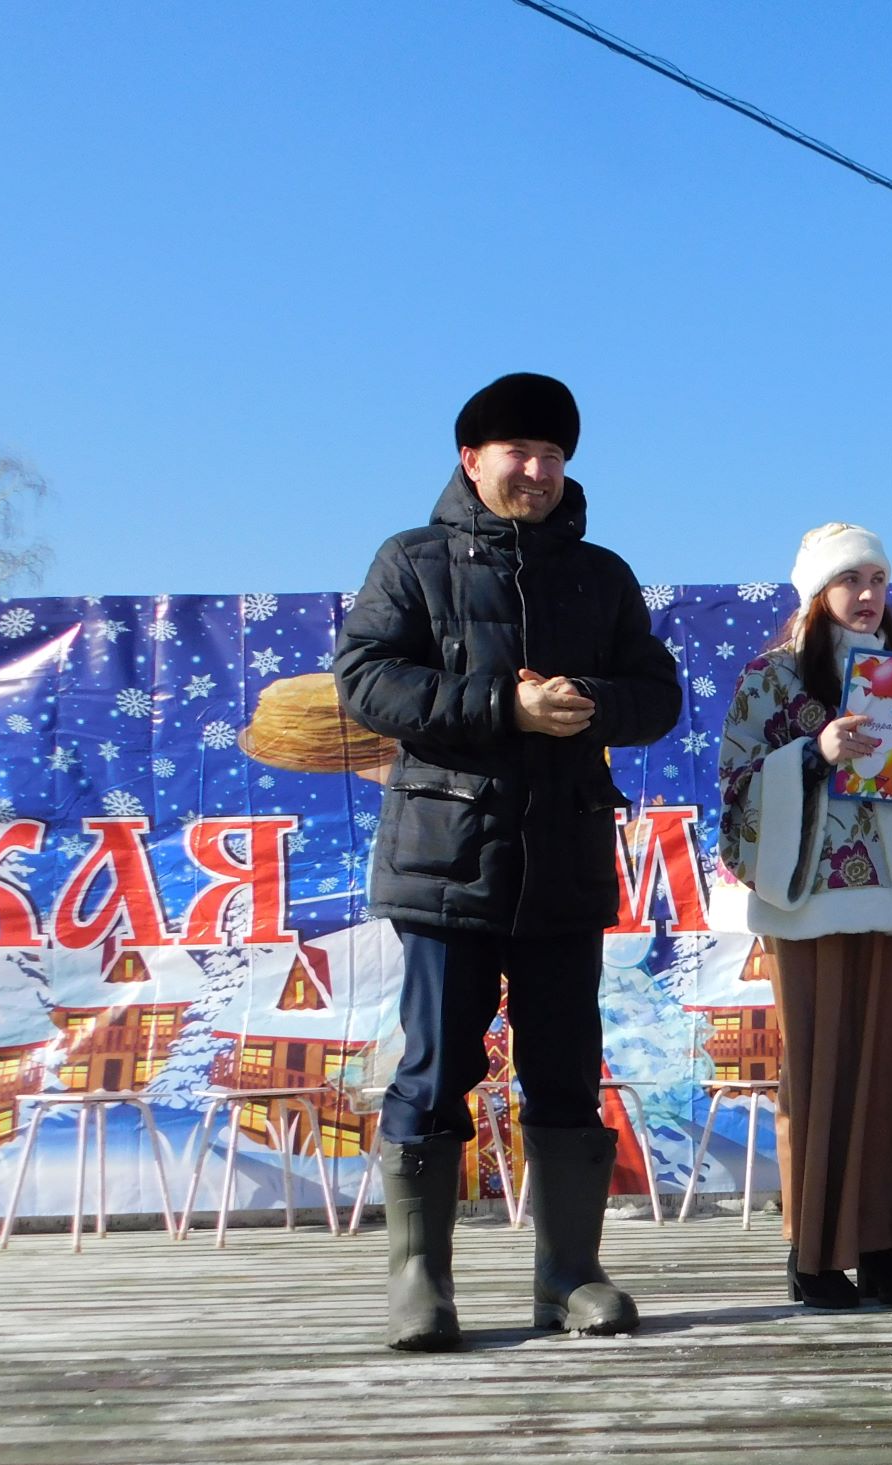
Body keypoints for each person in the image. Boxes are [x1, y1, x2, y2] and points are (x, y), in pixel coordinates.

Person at [337, 373, 683, 1351]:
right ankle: (420, 1284)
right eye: (516, 452)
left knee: (566, 1072)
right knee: (434, 1068)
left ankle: (570, 1278)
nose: (535, 471)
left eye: (553, 455)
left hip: (565, 857)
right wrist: (504, 704)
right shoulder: (411, 561)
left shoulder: (600, 575)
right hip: (447, 856)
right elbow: (366, 680)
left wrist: (592, 703)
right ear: (471, 458)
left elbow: (656, 694)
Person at [716, 523, 892, 1309]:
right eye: (851, 581)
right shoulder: (770, 679)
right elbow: (737, 788)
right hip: (814, 901)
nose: (869, 596)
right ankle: (815, 1253)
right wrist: (813, 755)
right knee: (827, 1072)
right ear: (815, 592)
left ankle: (886, 1247)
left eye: (878, 579)